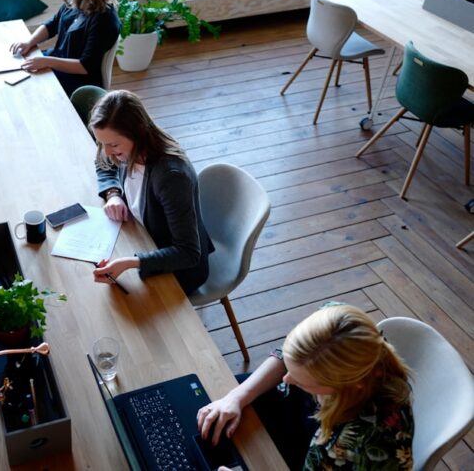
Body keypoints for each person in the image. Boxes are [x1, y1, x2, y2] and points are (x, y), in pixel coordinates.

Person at [196, 304, 414, 471]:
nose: (287, 379)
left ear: (341, 385)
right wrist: (236, 396)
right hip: (297, 415)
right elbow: (288, 356)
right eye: (289, 368)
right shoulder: (335, 321)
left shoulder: (360, 446)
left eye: (301, 380)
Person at [89, 90, 213, 294]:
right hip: (142, 237)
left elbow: (188, 253)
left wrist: (132, 262)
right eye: (102, 143)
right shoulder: (126, 147)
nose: (107, 151)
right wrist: (113, 194)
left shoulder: (171, 177)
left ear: (137, 133)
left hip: (178, 269)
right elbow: (104, 162)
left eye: (113, 145)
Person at [10, 0, 120, 97]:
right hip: (58, 64)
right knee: (18, 69)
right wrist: (30, 42)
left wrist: (47, 61)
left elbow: (85, 66)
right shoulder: (76, 1)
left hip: (78, 82)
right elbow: (52, 25)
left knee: (27, 87)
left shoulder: (104, 19)